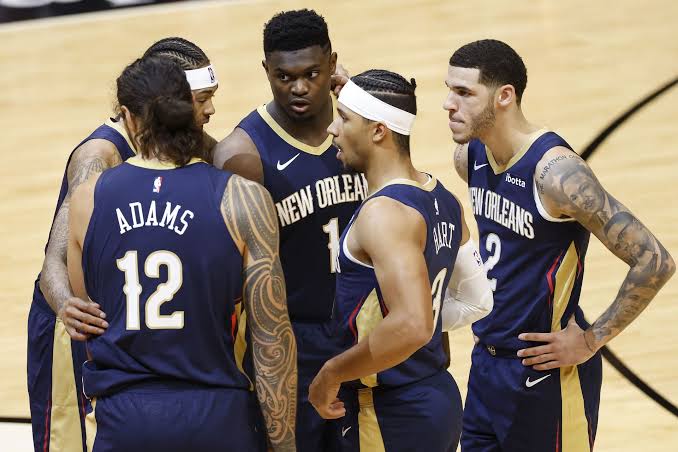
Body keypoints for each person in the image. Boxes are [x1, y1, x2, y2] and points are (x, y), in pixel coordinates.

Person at [444, 39, 675, 451]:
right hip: (485, 366)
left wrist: (590, 340)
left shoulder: (556, 174)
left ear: (504, 96)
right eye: (449, 90)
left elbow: (654, 260)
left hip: (545, 373)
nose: (449, 104)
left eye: (464, 93)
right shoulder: (469, 156)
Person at [66, 56, 297, 451]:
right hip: (216, 415)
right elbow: (270, 338)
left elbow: (88, 309)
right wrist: (284, 444)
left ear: (129, 118)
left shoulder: (88, 199)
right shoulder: (243, 198)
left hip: (125, 418)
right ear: (191, 107)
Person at [28, 36, 218, 452]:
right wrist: (66, 306)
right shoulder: (99, 156)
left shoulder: (186, 140)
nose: (210, 111)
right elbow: (53, 262)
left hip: (136, 315)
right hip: (81, 320)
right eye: (202, 100)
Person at [309, 69, 493, 452]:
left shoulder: (384, 214)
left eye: (344, 118)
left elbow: (412, 324)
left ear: (379, 131)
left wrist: (332, 372)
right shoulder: (444, 199)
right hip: (436, 396)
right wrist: (420, 316)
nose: (332, 129)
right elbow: (478, 299)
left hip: (390, 411)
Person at [213, 9, 366, 451]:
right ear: (266, 69)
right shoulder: (244, 154)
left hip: (365, 331)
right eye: (283, 76)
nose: (298, 88)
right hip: (291, 340)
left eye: (312, 74)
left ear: (332, 64)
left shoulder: (363, 129)